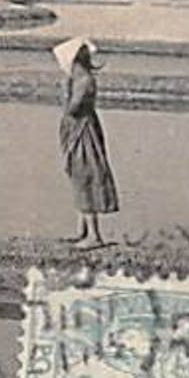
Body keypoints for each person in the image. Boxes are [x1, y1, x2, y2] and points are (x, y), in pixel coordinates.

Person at [54, 37, 118, 248]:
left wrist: (64, 90)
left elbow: (72, 108)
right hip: (77, 128)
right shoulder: (80, 80)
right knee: (78, 174)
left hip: (83, 130)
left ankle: (94, 236)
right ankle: (84, 231)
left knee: (85, 174)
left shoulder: (83, 82)